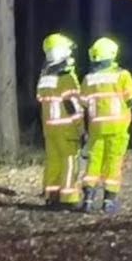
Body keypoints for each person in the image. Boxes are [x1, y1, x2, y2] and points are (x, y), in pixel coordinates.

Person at [80, 36, 132, 213]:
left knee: (94, 162)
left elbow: (83, 102)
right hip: (117, 127)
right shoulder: (122, 75)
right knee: (113, 162)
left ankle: (88, 201)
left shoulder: (89, 78)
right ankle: (109, 202)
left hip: (96, 128)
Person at [35, 33, 85, 209]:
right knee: (70, 160)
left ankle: (52, 196)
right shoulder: (66, 78)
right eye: (68, 51)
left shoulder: (44, 78)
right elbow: (72, 105)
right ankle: (69, 199)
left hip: (49, 128)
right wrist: (81, 129)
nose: (70, 55)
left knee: (53, 161)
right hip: (66, 128)